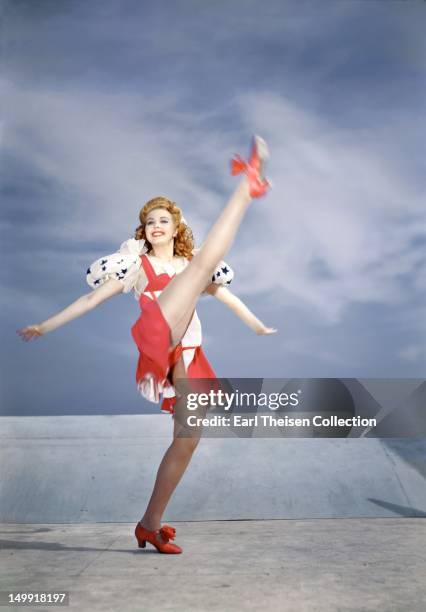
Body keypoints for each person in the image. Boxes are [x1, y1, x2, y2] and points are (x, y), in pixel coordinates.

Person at [16, 135, 276, 554]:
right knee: (204, 265)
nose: (156, 226)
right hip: (157, 333)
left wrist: (258, 326)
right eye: (149, 222)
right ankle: (248, 184)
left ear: (176, 229)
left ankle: (149, 524)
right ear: (144, 231)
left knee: (189, 438)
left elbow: (227, 297)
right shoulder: (136, 266)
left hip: (187, 354)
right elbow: (91, 298)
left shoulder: (187, 264)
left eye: (163, 221)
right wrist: (46, 326)